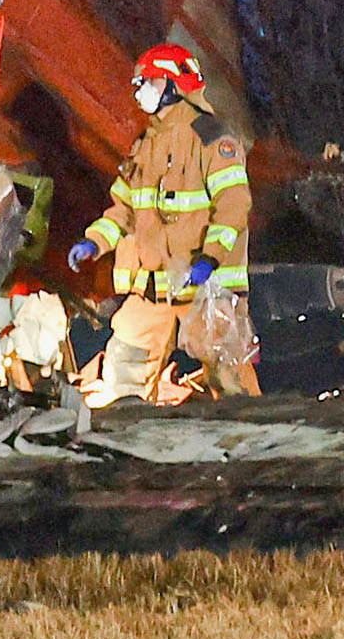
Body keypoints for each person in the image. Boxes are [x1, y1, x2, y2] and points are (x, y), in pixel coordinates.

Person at [70, 44, 252, 402]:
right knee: (123, 375)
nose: (140, 91)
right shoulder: (145, 145)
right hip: (153, 284)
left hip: (205, 285)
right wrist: (95, 242)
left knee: (229, 377)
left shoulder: (213, 140)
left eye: (148, 82)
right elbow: (123, 208)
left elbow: (233, 205)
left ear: (172, 85)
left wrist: (209, 259)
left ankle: (258, 445)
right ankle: (127, 449)